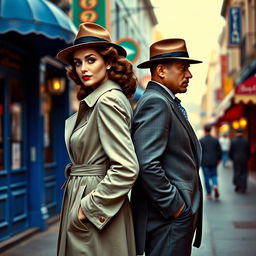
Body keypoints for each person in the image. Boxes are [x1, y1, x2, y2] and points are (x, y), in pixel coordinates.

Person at [56, 22, 139, 256]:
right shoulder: (101, 99)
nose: (84, 68)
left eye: (91, 60)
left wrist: (86, 209)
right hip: (89, 197)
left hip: (95, 206)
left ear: (109, 62)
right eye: (78, 62)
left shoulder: (107, 101)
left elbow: (126, 168)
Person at [130, 38, 203, 256]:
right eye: (183, 68)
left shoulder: (165, 101)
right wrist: (176, 207)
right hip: (167, 220)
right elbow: (146, 163)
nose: (189, 74)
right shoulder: (157, 102)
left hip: (170, 219)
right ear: (161, 70)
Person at [199, 125, 222, 199]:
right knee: (214, 175)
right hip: (213, 160)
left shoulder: (201, 140)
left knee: (206, 177)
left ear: (204, 130)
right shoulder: (215, 140)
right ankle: (215, 185)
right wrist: (219, 159)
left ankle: (208, 193)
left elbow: (199, 152)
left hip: (204, 161)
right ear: (211, 130)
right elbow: (219, 150)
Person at [229, 128, 251, 193]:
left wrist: (232, 158)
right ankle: (243, 187)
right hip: (244, 158)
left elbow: (231, 151)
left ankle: (238, 186)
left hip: (236, 159)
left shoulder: (233, 141)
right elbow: (248, 151)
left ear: (236, 133)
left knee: (237, 172)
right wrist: (247, 158)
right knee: (244, 173)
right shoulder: (246, 141)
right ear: (242, 133)